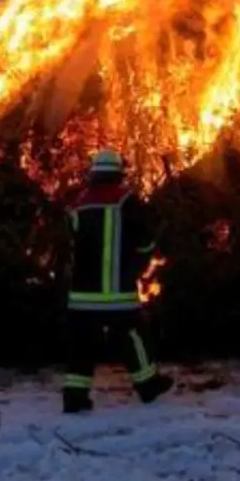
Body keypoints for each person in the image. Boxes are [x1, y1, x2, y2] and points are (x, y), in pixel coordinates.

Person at [60, 148, 173, 414]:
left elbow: (67, 247)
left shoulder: (76, 204)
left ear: (94, 173)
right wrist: (137, 266)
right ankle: (148, 385)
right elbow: (146, 240)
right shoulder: (127, 200)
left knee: (82, 344)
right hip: (117, 292)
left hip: (82, 295)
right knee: (132, 337)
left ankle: (74, 397)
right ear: (119, 173)